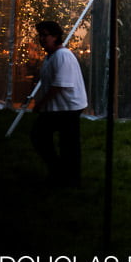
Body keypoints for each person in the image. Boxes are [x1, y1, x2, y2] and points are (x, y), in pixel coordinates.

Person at [31, 21, 88, 187]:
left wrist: (41, 104)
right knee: (45, 138)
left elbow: (59, 85)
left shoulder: (63, 56)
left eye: (45, 35)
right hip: (58, 108)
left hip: (68, 108)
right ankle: (62, 173)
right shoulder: (51, 56)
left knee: (65, 143)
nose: (41, 39)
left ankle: (67, 177)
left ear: (55, 36)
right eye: (40, 35)